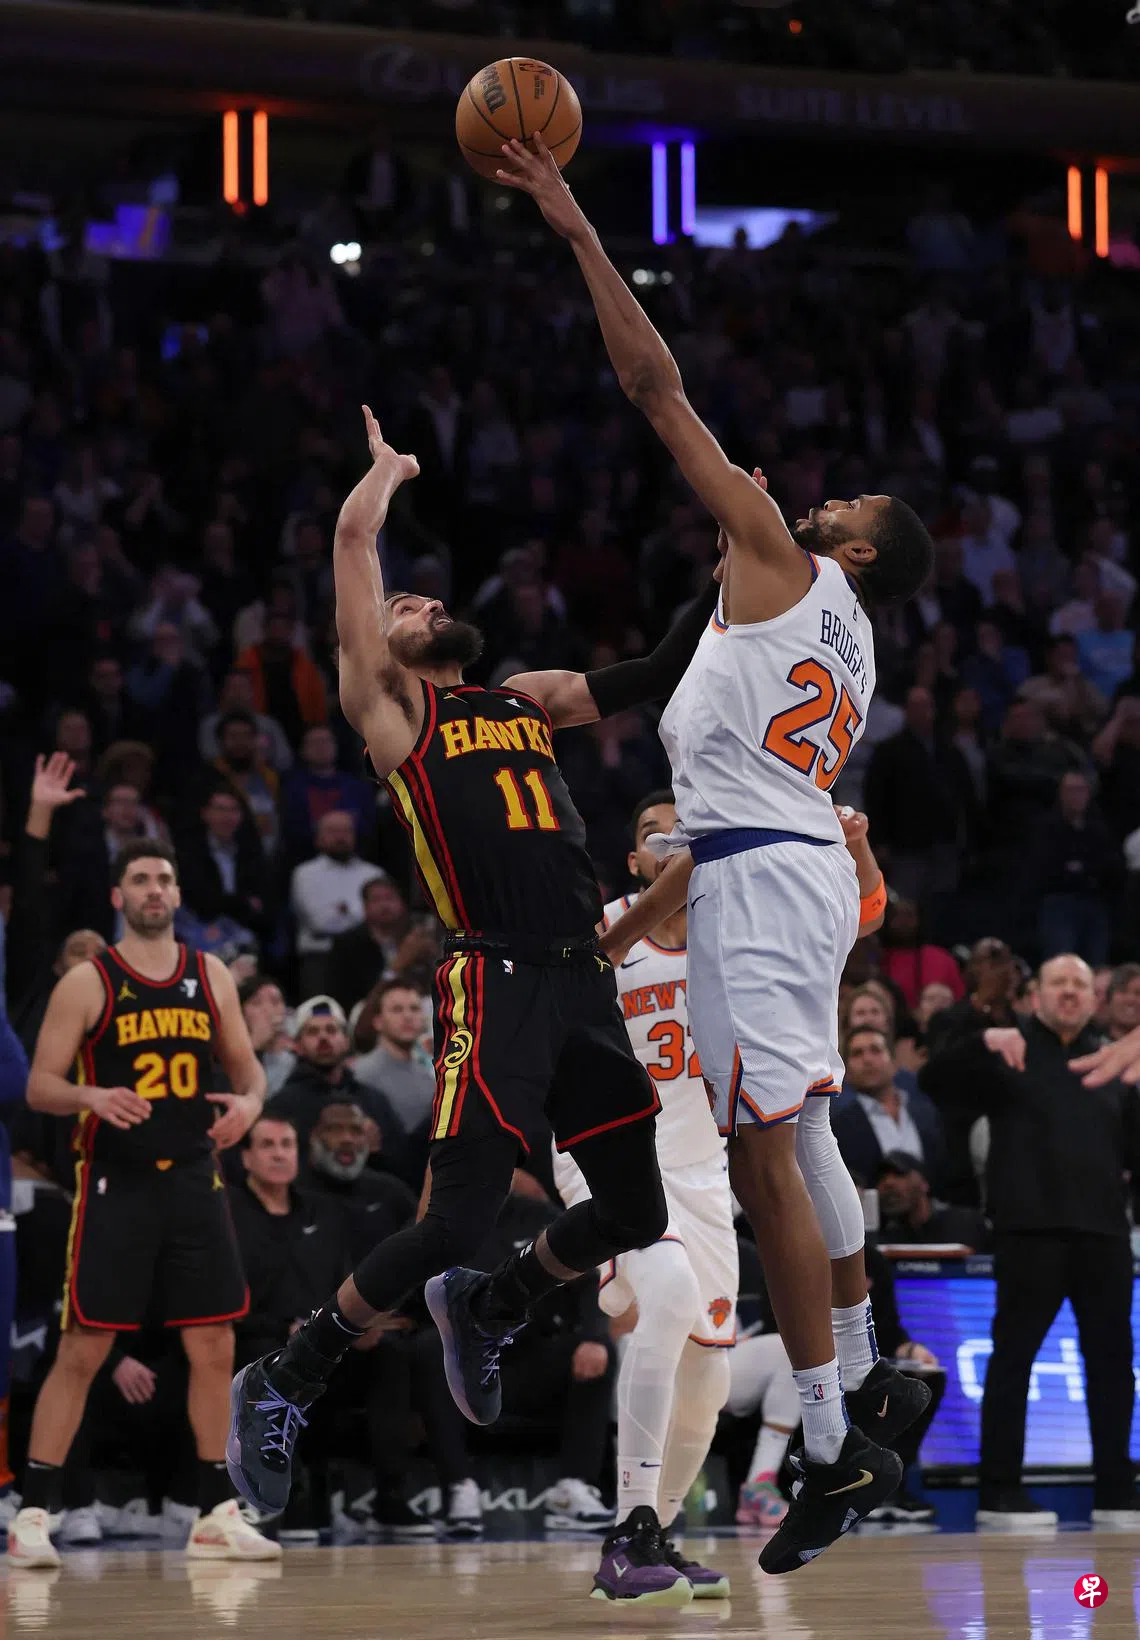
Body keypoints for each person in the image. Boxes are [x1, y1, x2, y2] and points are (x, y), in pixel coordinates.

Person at [499, 135, 942, 1574]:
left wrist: (574, 222)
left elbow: (654, 387)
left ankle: (830, 1439)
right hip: (788, 865)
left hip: (753, 877)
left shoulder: (784, 560)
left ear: (857, 553)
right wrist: (576, 694)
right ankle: (863, 1379)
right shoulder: (840, 632)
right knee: (802, 1132)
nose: (825, 500)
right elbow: (663, 673)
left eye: (847, 509)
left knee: (764, 1155)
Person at [227, 399, 732, 1594]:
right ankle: (289, 1375)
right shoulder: (396, 713)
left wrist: (727, 570)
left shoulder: (524, 696)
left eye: (423, 600)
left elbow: (656, 672)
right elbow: (354, 549)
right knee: (452, 1216)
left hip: (581, 974)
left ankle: (495, 1303)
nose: (420, 605)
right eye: (404, 607)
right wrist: (384, 477)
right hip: (491, 974)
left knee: (633, 1211)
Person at [8, 839, 277, 1569]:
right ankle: (33, 1514)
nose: (154, 888)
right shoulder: (89, 981)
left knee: (214, 1344)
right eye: (140, 879)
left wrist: (250, 1108)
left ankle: (215, 1513)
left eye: (164, 878)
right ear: (118, 897)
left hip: (194, 1179)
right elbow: (39, 1087)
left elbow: (251, 1075)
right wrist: (92, 1095)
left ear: (178, 894)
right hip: (114, 1184)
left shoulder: (209, 973)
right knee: (83, 1348)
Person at [552, 790, 735, 1604]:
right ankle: (628, 1534)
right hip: (611, 1154)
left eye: (685, 830)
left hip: (703, 1169)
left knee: (709, 1376)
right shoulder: (601, 933)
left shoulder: (730, 938)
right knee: (665, 1299)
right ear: (634, 860)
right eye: (655, 833)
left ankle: (655, 1533)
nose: (672, 841)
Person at [924, 955, 1140, 1528]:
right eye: (1057, 983)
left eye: (1078, 984)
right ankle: (999, 1494)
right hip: (1029, 1232)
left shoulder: (1116, 1063)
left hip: (1105, 1234)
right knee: (1013, 1360)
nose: (1069, 992)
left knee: (1114, 1366)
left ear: (1094, 998)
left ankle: (1117, 1491)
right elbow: (933, 1081)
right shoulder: (1008, 1051)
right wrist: (981, 1037)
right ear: (1036, 995)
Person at [266, 996, 415, 1184]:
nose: (323, 1037)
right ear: (298, 1046)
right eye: (313, 1032)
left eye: (331, 1030)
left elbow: (404, 1164)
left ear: (346, 1041)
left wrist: (377, 1150)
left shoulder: (374, 1101)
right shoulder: (282, 1106)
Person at [833, 1026, 947, 1189]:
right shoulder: (839, 1127)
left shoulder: (926, 1112)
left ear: (894, 1061)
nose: (867, 1059)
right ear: (846, 1072)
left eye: (876, 1050)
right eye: (857, 1053)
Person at [290, 812, 380, 998]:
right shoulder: (305, 874)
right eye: (332, 831)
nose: (340, 837)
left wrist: (345, 910)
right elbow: (320, 922)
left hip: (365, 957)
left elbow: (381, 918)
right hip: (320, 957)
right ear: (318, 838)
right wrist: (359, 912)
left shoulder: (372, 874)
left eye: (346, 831)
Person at [349, 979, 434, 1142]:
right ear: (378, 1022)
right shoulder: (360, 1074)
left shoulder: (429, 1075)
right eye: (397, 1009)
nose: (408, 1016)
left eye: (414, 1009)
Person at [324, 877, 408, 1012]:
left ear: (402, 904)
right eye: (376, 899)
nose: (384, 905)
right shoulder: (348, 945)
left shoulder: (416, 938)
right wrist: (399, 963)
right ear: (364, 907)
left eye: (390, 898)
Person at [875, 1152, 988, 1248]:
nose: (888, 1183)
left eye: (899, 1174)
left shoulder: (964, 1224)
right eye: (881, 1178)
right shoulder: (879, 1241)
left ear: (924, 1184)